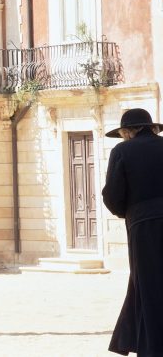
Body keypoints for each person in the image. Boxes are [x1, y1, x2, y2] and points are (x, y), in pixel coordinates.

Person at [102, 108, 163, 356]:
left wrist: (128, 211)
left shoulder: (122, 151)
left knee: (148, 286)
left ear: (128, 131)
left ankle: (152, 347)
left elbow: (113, 196)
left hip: (143, 225)